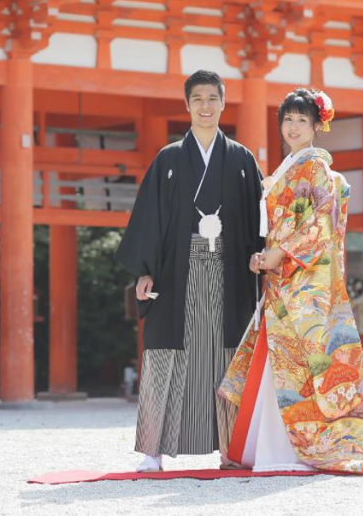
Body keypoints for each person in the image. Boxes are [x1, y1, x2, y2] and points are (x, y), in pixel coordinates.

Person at [218, 88, 363, 474]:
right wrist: (262, 254)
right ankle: (268, 448)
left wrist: (279, 254)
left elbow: (320, 221)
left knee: (304, 360)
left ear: (317, 126)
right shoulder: (287, 168)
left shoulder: (315, 168)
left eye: (302, 120)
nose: (293, 127)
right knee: (281, 361)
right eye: (288, 120)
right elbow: (271, 225)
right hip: (281, 279)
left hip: (303, 284)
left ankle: (299, 447)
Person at [115, 69, 264, 472]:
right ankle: (152, 450)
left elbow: (258, 221)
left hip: (229, 270)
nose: (205, 106)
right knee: (166, 353)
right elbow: (150, 219)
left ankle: (230, 449)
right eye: (197, 98)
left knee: (227, 355)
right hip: (175, 273)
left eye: (212, 98)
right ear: (187, 105)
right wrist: (145, 271)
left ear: (222, 102)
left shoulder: (241, 159)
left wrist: (260, 255)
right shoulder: (168, 159)